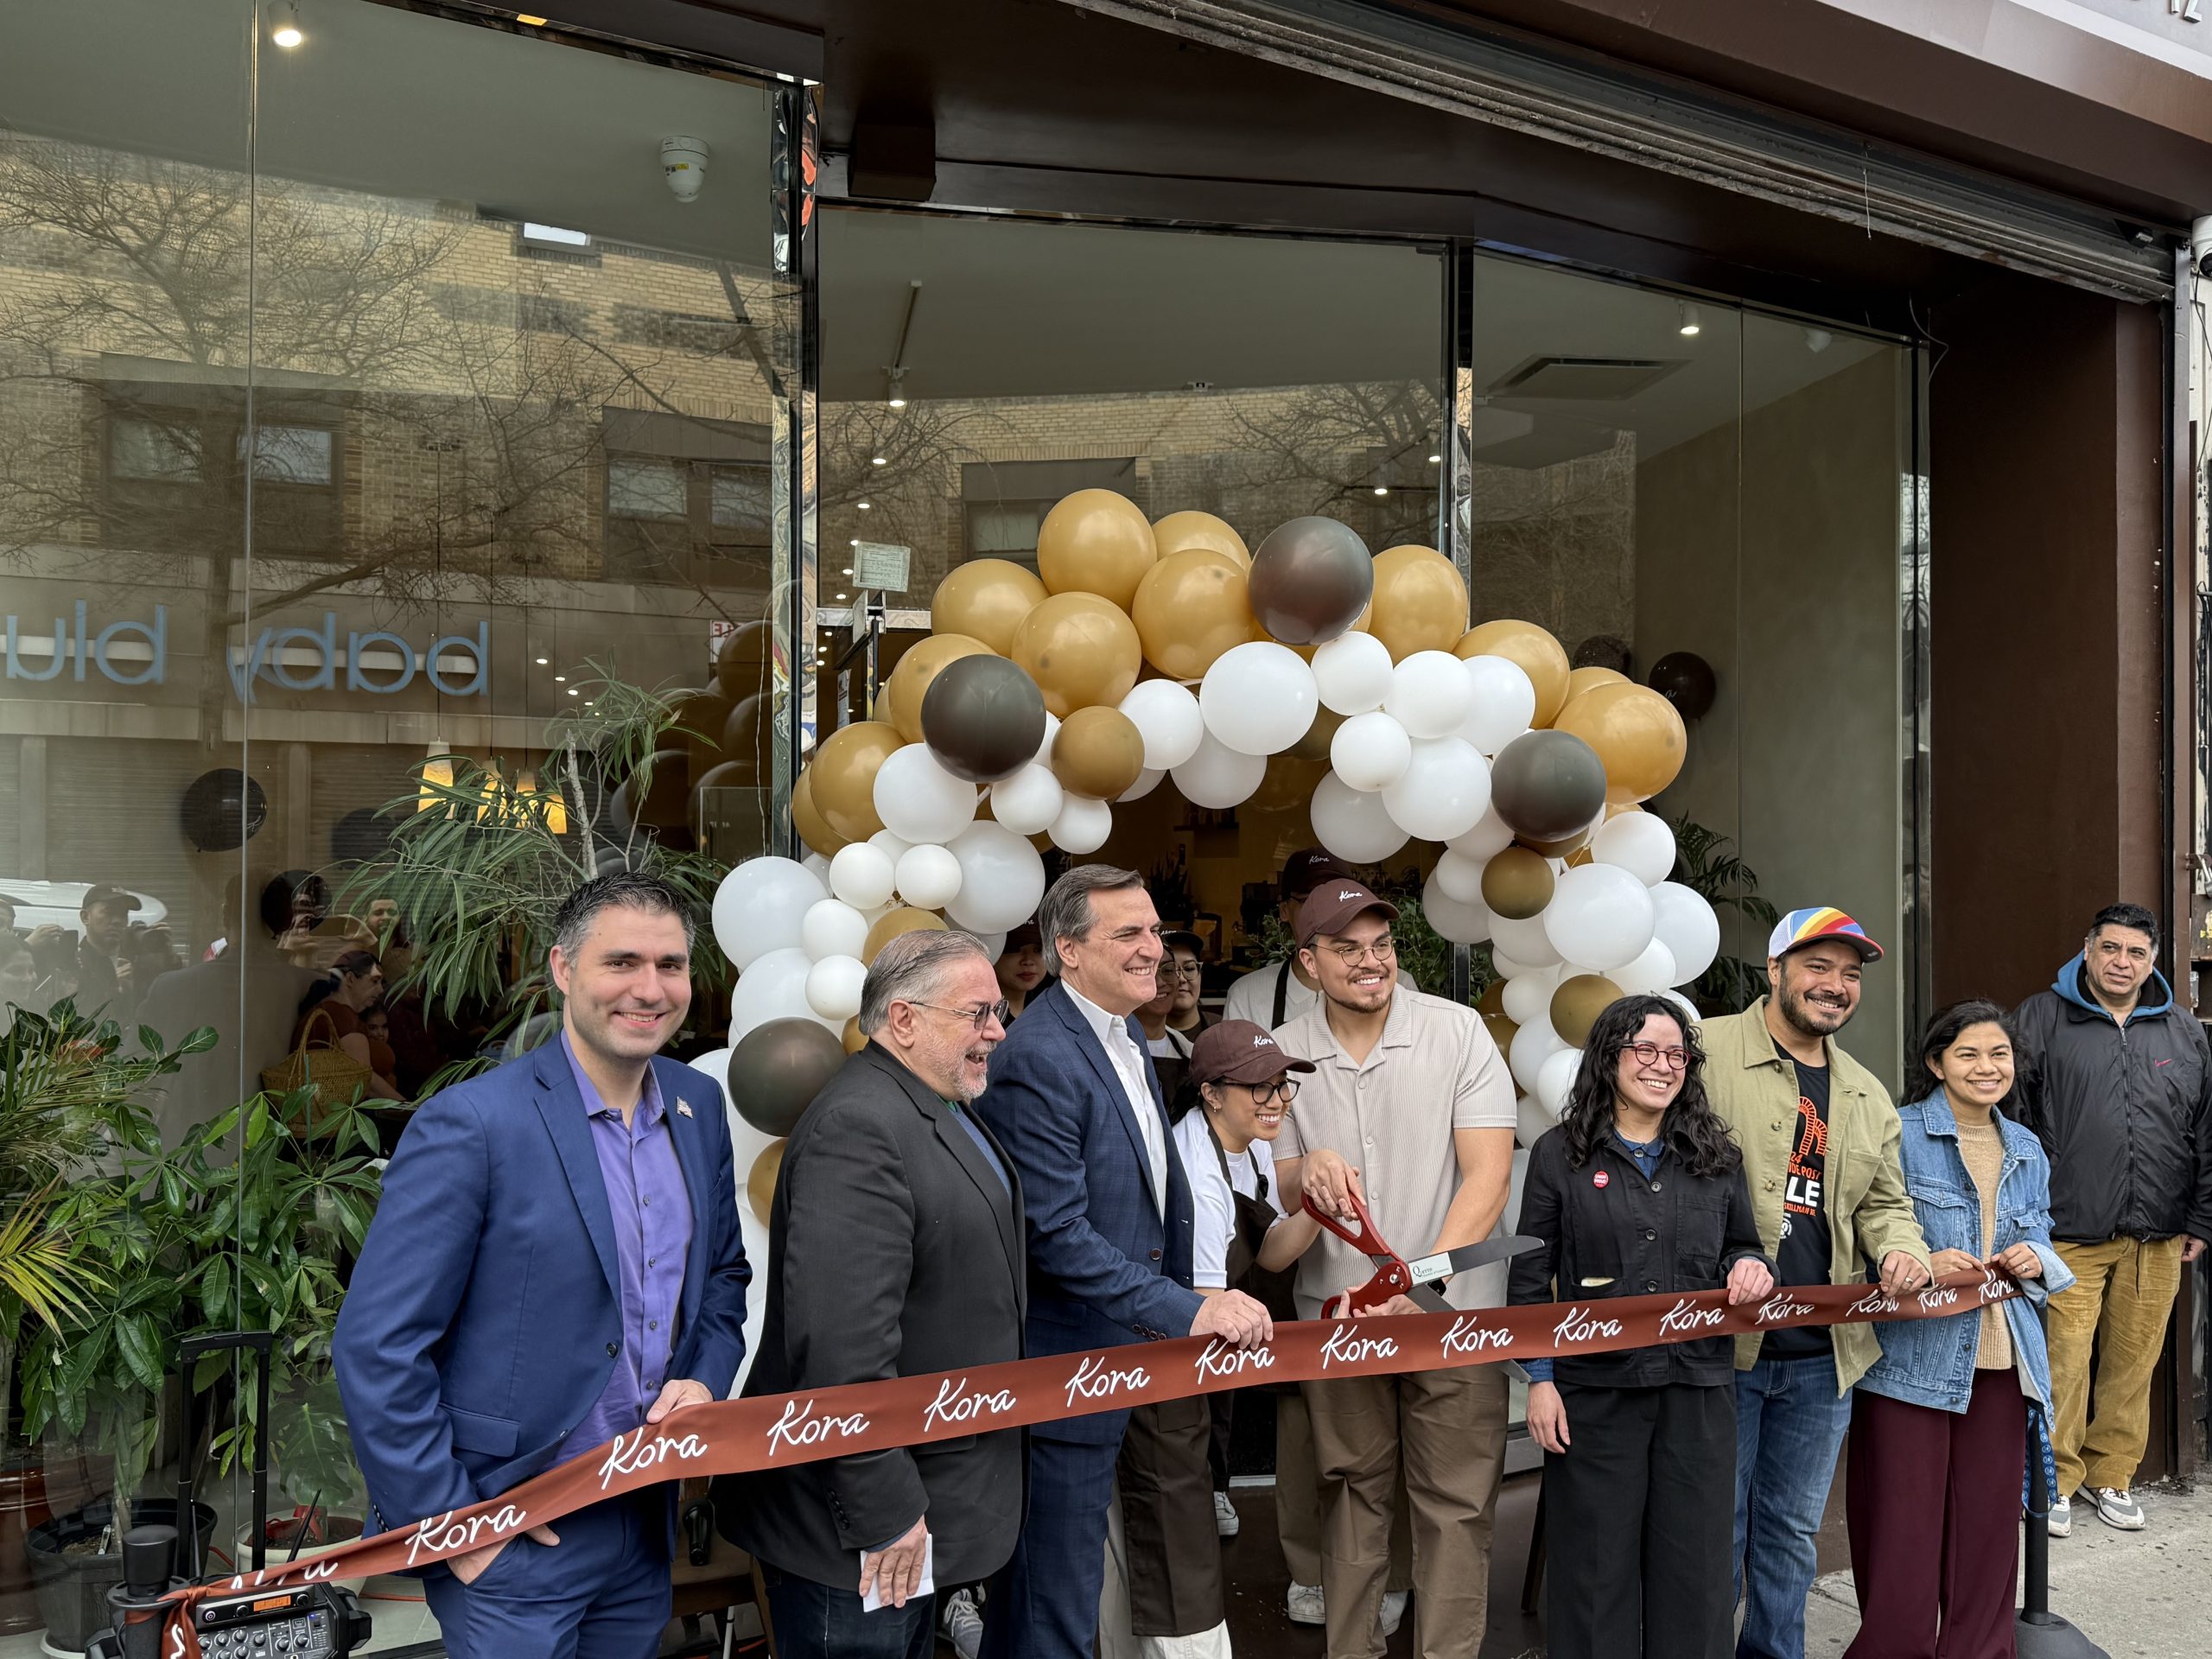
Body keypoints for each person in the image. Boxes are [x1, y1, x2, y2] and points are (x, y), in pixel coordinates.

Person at [333, 870, 751, 1659]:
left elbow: (725, 1275)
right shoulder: (473, 1124)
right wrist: (454, 1526)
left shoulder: (698, 1106)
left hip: (642, 1516)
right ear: (563, 968)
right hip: (511, 1527)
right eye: (621, 962)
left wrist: (703, 1378)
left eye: (669, 965)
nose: (650, 989)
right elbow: (377, 1345)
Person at [973, 865, 1273, 1659]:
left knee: (1077, 1592)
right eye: (1129, 934)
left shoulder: (1126, 1036)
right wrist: (1190, 1307)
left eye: (1154, 931)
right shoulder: (1039, 1055)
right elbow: (1055, 1233)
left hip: (1134, 1358)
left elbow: (1150, 1198)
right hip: (1068, 1367)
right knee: (1051, 1602)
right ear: (1068, 951)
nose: (1154, 949)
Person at [721, 930, 1024, 1658]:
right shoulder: (858, 1127)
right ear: (905, 1019)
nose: (996, 1031)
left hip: (923, 1508)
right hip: (860, 1535)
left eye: (998, 1012)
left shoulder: (934, 1101)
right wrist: (885, 1514)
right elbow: (840, 1351)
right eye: (977, 1013)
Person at [1273, 878, 1516, 1659]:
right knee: (1350, 1498)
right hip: (1338, 1322)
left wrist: (1422, 1283)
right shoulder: (1281, 1053)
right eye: (1347, 949)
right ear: (1309, 961)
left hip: (1453, 1316)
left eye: (1381, 945)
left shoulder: (1458, 1031)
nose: (1370, 962)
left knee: (1456, 1507)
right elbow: (1272, 1186)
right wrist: (1307, 1166)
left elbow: (1489, 1176)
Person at [1512, 995, 1775, 1659]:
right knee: (1593, 1571)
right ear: (1610, 1056)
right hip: (1594, 1396)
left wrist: (1751, 1267)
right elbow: (1529, 1279)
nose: (1663, 1065)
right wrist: (1540, 1381)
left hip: (1698, 1391)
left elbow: (1744, 1247)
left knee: (1697, 1574)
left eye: (1676, 1054)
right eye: (1646, 1049)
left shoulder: (1716, 1155)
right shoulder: (1559, 1155)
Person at [1700, 906, 1931, 1659]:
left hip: (1821, 1359)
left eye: (1851, 975)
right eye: (1818, 967)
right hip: (1719, 1351)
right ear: (1774, 970)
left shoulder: (1865, 1093)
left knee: (1791, 1535)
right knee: (1714, 1529)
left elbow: (1886, 1205)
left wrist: (1903, 1252)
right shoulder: (1701, 1050)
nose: (1836, 986)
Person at [1845, 1000, 2072, 1658]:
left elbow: (2040, 1227)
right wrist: (1918, 1256)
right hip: (1911, 1363)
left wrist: (2037, 1256)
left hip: (2004, 1364)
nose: (1986, 1067)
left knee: (1988, 1531)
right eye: (1968, 1054)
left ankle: (1981, 1651)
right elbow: (1862, 1225)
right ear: (1936, 1063)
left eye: (1999, 1054)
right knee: (1903, 1530)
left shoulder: (2025, 1145)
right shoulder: (1898, 1131)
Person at [2010, 902, 2212, 1535]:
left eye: (2136, 953)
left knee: (2133, 1363)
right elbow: (2012, 1119)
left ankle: (2112, 1474)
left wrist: (2201, 1218)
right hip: (2066, 1229)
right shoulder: (2040, 1017)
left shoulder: (2183, 1030)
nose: (2122, 963)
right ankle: (2056, 1479)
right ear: (2088, 949)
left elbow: (2206, 1129)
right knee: (2062, 1363)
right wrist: (2022, 1217)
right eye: (2111, 949)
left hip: (2159, 1231)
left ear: (2152, 962)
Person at [1173, 1021, 1326, 1538]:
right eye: (1260, 1087)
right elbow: (1204, 1307)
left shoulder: (1252, 1141)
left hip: (1219, 1315)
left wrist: (1319, 1211)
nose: (1277, 1101)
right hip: (1180, 1337)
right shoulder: (1198, 1175)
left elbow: (1271, 1254)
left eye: (1282, 1085)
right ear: (1212, 1094)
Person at [1224, 850, 1402, 1031]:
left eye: (1338, 897)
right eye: (1308, 900)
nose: (1325, 910)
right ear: (1284, 910)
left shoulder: (1397, 986)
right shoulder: (1247, 996)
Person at [294, 949, 404, 1101]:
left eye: (381, 983)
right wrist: (408, 1108)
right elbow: (364, 1081)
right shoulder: (339, 1015)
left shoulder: (340, 1012)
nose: (380, 990)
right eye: (374, 981)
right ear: (351, 979)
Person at [1136, 936, 1203, 1110]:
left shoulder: (1191, 1053)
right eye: (1148, 971)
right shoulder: (1112, 1049)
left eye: (1167, 970)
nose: (1159, 982)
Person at [73, 881, 140, 1018]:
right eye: (109, 912)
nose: (117, 920)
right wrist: (115, 993)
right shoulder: (74, 967)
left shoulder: (137, 963)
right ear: (85, 917)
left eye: (123, 914)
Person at [995, 921, 1047, 1019]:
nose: (1028, 961)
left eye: (1038, 950)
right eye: (1015, 949)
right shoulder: (980, 1018)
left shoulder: (1049, 1013)